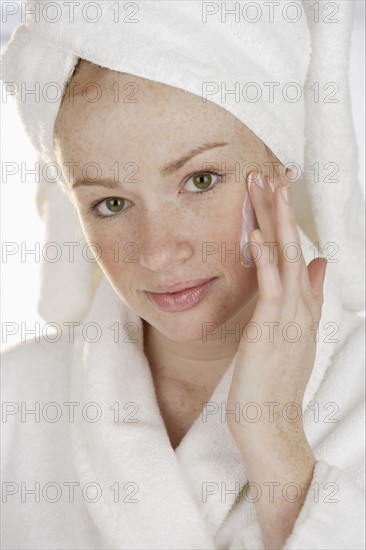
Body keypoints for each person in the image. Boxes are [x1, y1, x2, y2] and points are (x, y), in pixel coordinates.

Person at [1, 1, 365, 549]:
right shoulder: (17, 400)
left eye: (201, 180)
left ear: (281, 165)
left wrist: (273, 439)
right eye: (111, 204)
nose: (159, 253)